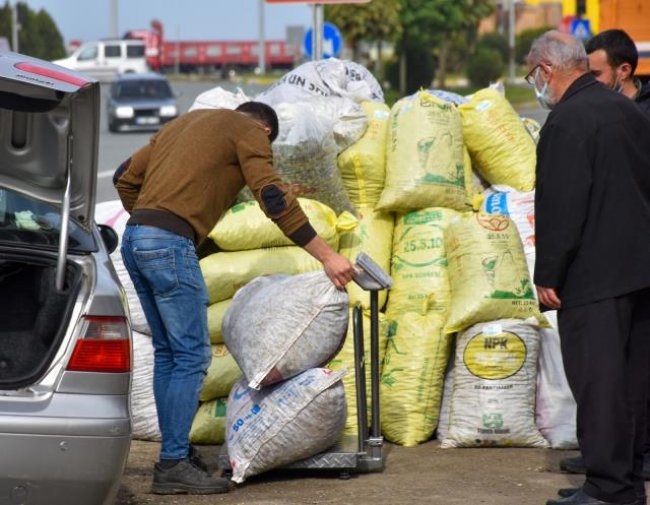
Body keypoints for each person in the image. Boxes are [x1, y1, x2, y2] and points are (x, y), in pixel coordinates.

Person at [114, 101, 356, 495]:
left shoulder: (183, 124)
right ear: (264, 131)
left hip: (136, 238)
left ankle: (176, 451)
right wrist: (328, 256)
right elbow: (273, 196)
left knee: (170, 354)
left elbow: (124, 177)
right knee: (191, 356)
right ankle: (173, 463)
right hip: (166, 243)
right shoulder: (248, 131)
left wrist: (154, 225)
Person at [527, 31, 650, 505]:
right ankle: (626, 483)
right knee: (631, 386)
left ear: (546, 70)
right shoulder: (627, 110)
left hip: (594, 276)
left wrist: (549, 273)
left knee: (599, 385)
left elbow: (562, 204)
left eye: (532, 75)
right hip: (640, 271)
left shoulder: (567, 121)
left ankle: (607, 488)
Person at [585, 29, 650, 114]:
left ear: (624, 71)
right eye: (587, 74)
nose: (589, 80)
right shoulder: (590, 108)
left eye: (596, 73)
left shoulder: (645, 113)